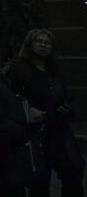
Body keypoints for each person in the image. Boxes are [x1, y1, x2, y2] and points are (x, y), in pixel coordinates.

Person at [5, 28, 84, 197]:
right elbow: (6, 96)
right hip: (35, 132)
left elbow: (65, 96)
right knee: (39, 180)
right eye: (39, 41)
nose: (43, 45)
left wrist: (68, 108)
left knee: (74, 170)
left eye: (47, 43)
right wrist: (26, 112)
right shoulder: (17, 68)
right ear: (30, 44)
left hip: (58, 128)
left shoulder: (54, 70)